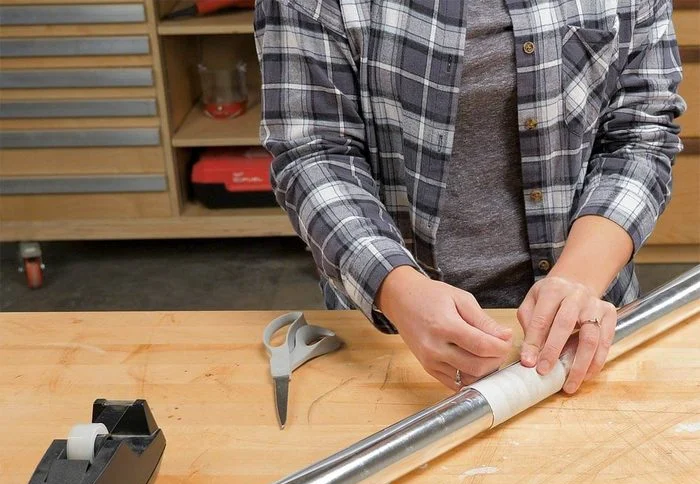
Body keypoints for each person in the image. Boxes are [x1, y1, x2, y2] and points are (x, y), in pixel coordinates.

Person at [254, 0, 685, 393]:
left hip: (581, 330)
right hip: (394, 334)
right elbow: (314, 152)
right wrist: (400, 292)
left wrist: (578, 279)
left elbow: (639, 136)